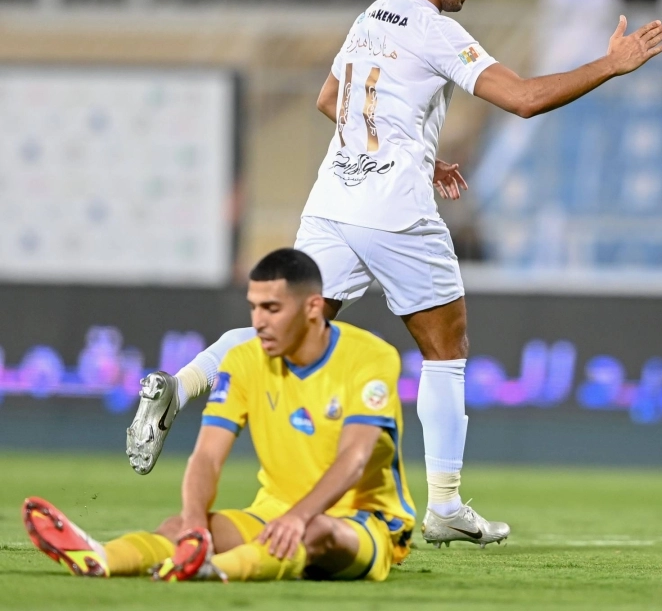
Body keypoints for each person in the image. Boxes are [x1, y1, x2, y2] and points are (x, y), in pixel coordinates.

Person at [126, 0, 662, 547]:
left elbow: (332, 100)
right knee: (446, 346)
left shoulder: (370, 17)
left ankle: (180, 384)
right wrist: (610, 64)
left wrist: (415, 145)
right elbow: (522, 98)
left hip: (333, 200)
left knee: (282, 327)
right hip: (395, 210)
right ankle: (443, 502)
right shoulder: (434, 31)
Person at [26, 249, 416, 582]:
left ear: (314, 307)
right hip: (274, 511)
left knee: (314, 531)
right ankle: (103, 558)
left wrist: (298, 517)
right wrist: (197, 523)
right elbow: (208, 457)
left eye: (273, 308)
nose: (259, 321)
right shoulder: (245, 360)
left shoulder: (370, 357)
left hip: (368, 522)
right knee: (181, 527)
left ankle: (212, 569)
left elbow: (355, 459)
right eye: (254, 307)